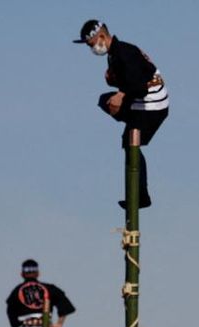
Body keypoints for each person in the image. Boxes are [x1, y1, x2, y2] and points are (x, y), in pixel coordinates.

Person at [74, 19, 169, 209]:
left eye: (92, 44)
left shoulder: (124, 53)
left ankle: (141, 197)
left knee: (129, 140)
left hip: (152, 105)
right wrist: (115, 85)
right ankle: (140, 194)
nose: (92, 49)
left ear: (101, 36)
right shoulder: (114, 55)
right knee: (106, 102)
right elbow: (130, 82)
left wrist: (121, 95)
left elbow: (140, 88)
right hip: (144, 103)